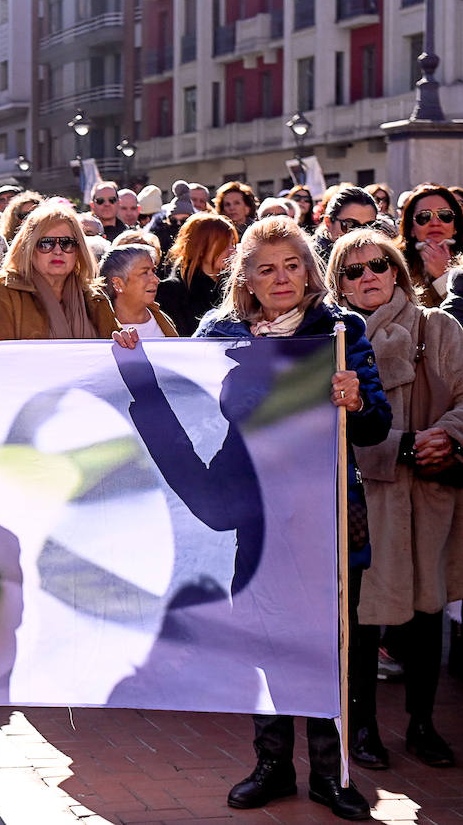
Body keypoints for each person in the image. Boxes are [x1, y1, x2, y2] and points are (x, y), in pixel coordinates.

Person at [196, 216, 390, 821]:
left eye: (292, 265)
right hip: (254, 514)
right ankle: (273, 766)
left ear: (309, 269)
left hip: (325, 516)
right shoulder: (216, 336)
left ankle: (331, 776)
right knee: (264, 638)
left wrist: (355, 400)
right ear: (245, 279)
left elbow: (375, 425)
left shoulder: (340, 329)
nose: (281, 278)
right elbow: (193, 408)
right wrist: (134, 353)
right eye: (265, 268)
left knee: (329, 645)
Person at [328, 229, 462, 771]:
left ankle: (422, 723)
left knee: (427, 614)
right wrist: (401, 445)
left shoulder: (440, 327)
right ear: (337, 283)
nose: (368, 278)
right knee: (359, 619)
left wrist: (449, 434)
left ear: (397, 269)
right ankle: (362, 728)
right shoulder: (332, 340)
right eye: (352, 271)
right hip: (362, 501)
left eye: (378, 265)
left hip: (429, 495)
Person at [0, 202, 121, 341]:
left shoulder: (94, 296)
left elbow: (114, 349)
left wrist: (125, 342)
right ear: (29, 249)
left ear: (78, 250)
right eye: (46, 243)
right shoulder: (3, 291)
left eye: (67, 243)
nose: (58, 251)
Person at [155, 213, 239, 336]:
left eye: (233, 244)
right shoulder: (171, 291)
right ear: (200, 247)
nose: (233, 251)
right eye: (225, 244)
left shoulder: (235, 288)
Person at [396, 183, 463, 308]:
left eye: (445, 215)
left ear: (455, 227)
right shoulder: (394, 267)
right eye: (424, 217)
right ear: (411, 228)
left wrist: (445, 277)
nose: (435, 223)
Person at [97, 244, 177, 338]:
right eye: (144, 273)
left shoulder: (163, 320)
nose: (156, 280)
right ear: (118, 284)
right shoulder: (97, 328)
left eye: (153, 271)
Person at [313, 186, 380, 262]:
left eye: (369, 226)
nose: (360, 234)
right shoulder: (309, 263)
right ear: (328, 222)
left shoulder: (382, 257)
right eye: (350, 225)